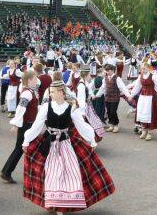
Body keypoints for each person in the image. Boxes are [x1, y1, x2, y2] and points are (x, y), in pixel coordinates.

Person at [22, 80, 115, 214]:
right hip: (49, 144)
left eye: (52, 92)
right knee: (50, 174)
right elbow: (37, 126)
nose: (50, 94)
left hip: (66, 144)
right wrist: (26, 140)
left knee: (67, 174)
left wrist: (92, 140)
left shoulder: (71, 107)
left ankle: (60, 205)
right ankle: (52, 203)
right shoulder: (45, 107)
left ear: (60, 92)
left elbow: (81, 125)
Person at [1, 71, 38, 183]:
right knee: (21, 149)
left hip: (29, 124)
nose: (36, 81)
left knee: (22, 149)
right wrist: (16, 125)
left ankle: (7, 171)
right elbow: (20, 109)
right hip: (26, 125)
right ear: (29, 80)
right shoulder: (27, 93)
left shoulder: (30, 92)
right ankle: (7, 172)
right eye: (35, 79)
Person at [130, 62, 157, 141]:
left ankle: (149, 132)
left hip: (151, 97)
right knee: (142, 113)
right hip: (143, 97)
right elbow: (137, 87)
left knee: (150, 114)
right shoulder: (140, 77)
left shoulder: (153, 76)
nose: (142, 70)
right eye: (142, 69)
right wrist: (131, 95)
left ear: (148, 68)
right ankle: (144, 130)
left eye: (144, 68)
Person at [93, 64, 129, 133]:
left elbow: (123, 88)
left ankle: (116, 125)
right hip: (107, 98)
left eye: (108, 71)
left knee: (113, 111)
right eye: (106, 71)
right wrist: (97, 95)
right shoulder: (105, 78)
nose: (106, 72)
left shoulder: (117, 78)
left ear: (112, 70)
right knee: (109, 111)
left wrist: (128, 95)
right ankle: (111, 125)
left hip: (115, 98)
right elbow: (102, 88)